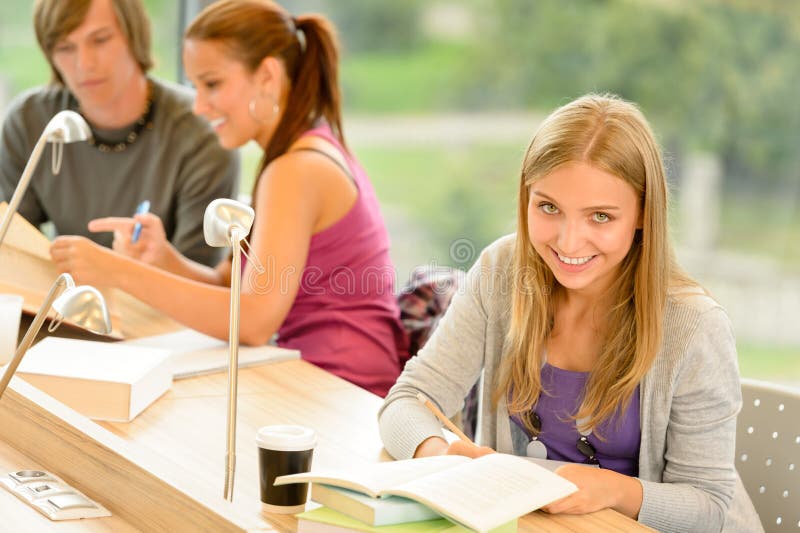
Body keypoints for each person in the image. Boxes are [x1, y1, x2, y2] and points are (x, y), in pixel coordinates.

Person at [378, 94, 763, 532]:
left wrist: (616, 490)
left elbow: (708, 508)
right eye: (548, 207)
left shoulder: (695, 327)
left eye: (600, 216)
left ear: (641, 214)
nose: (569, 241)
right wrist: (441, 453)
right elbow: (407, 401)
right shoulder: (502, 272)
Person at [50, 0, 408, 397]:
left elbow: (253, 320)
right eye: (195, 87)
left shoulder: (296, 170)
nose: (200, 107)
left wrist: (116, 271)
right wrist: (165, 259)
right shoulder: (298, 152)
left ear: (267, 76)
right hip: (321, 380)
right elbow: (235, 287)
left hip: (343, 391)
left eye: (212, 84)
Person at [0, 0, 238, 266]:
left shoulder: (201, 132)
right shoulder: (30, 122)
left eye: (100, 40)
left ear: (134, 36)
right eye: (65, 48)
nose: (84, 64)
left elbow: (202, 280)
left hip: (156, 305)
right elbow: (14, 251)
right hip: (58, 302)